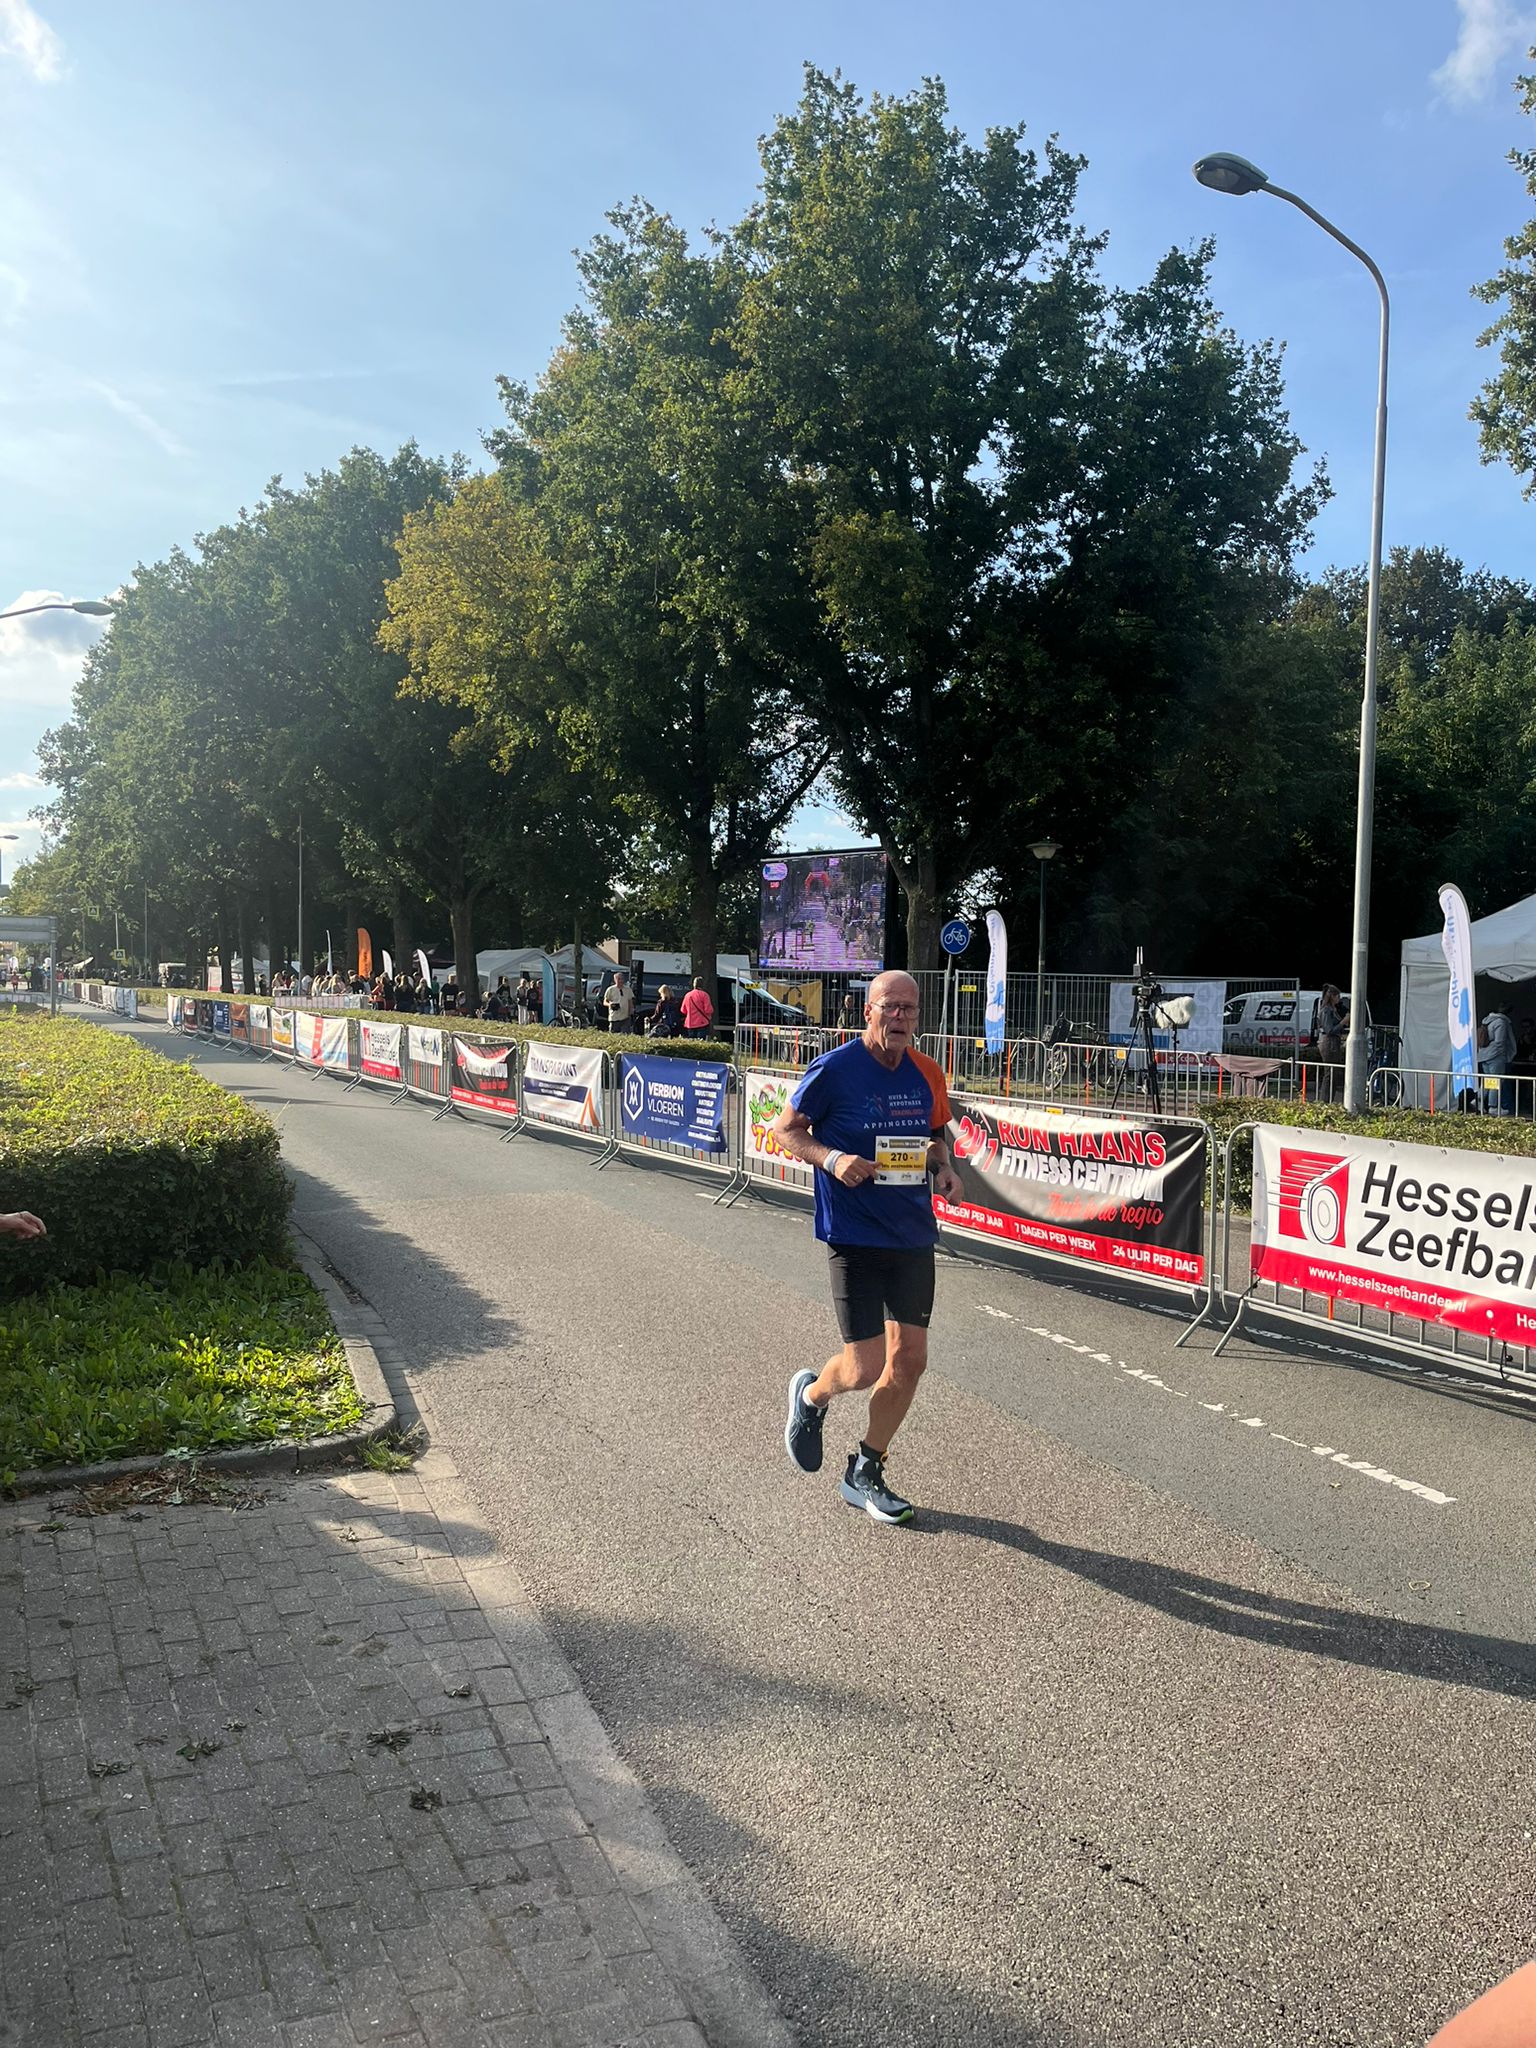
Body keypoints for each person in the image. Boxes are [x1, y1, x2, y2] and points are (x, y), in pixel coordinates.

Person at [770, 970, 961, 1525]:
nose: (900, 1017)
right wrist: (833, 1159)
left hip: (911, 1232)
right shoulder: (834, 1069)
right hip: (852, 1234)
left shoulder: (927, 1071)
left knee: (911, 1360)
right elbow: (785, 1130)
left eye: (909, 1009)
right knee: (863, 1366)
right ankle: (811, 1397)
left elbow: (935, 1136)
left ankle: (866, 1469)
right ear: (868, 1011)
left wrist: (945, 1168)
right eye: (890, 1007)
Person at [1480, 1003, 1517, 1116]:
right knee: (1496, 1081)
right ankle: (1493, 1106)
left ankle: (1478, 1101)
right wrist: (1505, 1055)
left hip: (1484, 1055)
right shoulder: (1501, 1022)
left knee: (1488, 1080)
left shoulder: (1486, 1020)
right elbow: (1500, 1041)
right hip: (1496, 1056)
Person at [1316, 984, 1349, 1102]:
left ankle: (1329, 1099)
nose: (1339, 999)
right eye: (1337, 996)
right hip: (1329, 1043)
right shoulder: (1326, 1010)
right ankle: (1325, 1100)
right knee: (1330, 1073)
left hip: (1333, 1042)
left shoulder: (1332, 1010)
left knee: (1333, 1073)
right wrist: (1343, 1022)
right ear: (1332, 996)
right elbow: (1329, 1030)